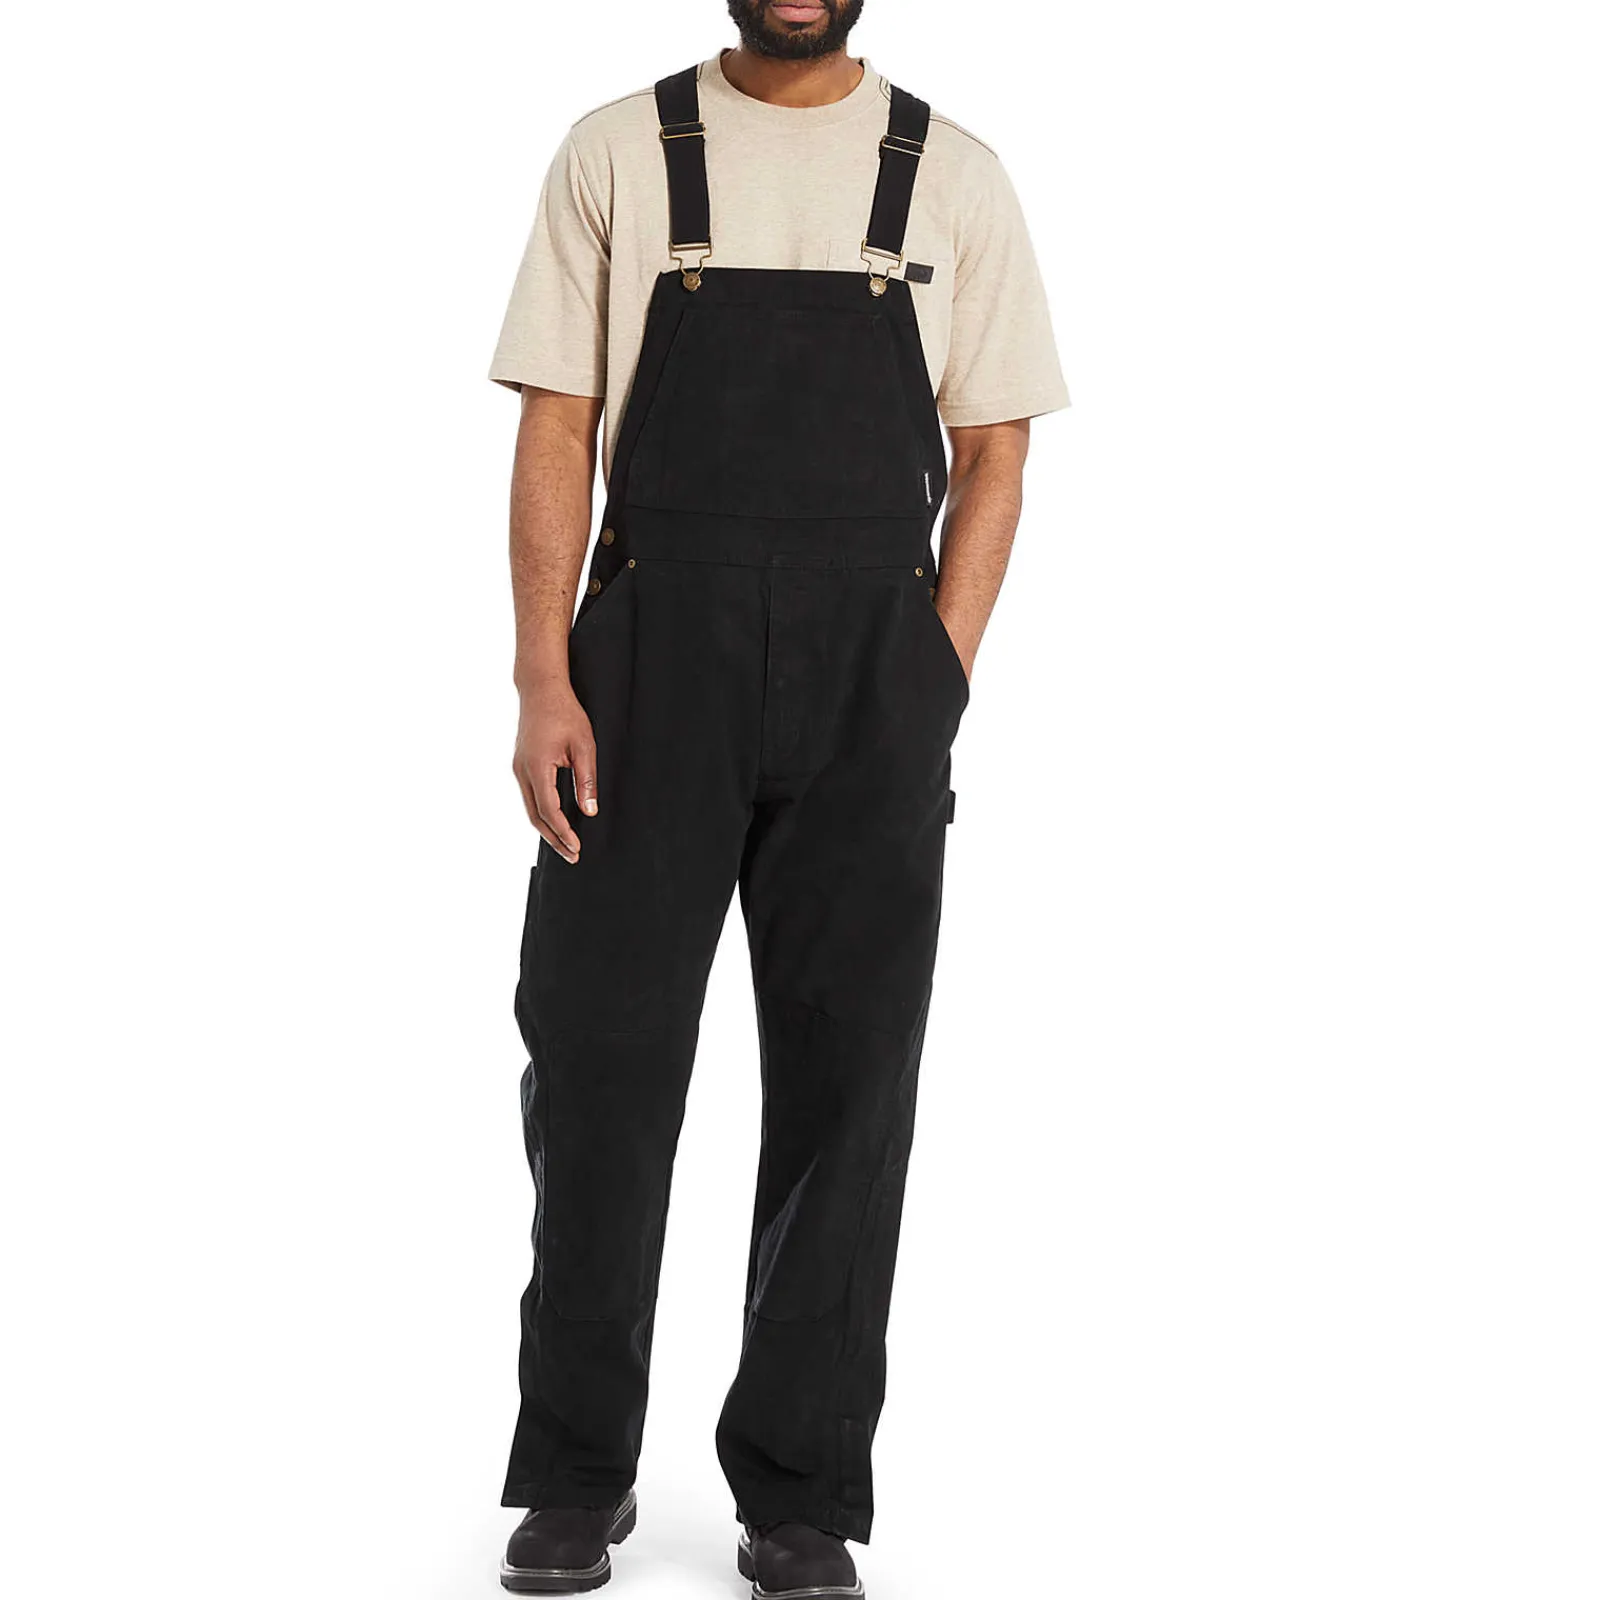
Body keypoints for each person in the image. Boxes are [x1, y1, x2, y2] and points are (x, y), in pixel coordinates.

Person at [489, 2, 1067, 1593]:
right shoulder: (618, 151)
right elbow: (557, 421)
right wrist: (541, 674)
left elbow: (996, 449)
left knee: (848, 1087)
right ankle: (576, 1472)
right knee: (599, 1069)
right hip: (644, 670)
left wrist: (934, 672)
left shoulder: (952, 172)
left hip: (875, 677)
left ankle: (800, 1492)